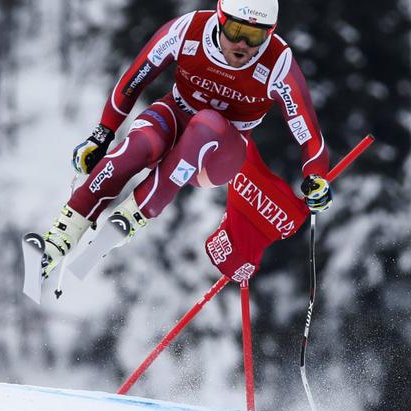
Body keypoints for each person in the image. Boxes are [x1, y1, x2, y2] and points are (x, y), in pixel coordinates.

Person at [38, 0, 332, 278]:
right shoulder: (188, 30)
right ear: (220, 19)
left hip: (219, 154)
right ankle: (59, 237)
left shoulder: (278, 64)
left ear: (269, 33)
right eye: (235, 31)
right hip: (175, 116)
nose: (242, 44)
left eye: (254, 36)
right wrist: (102, 134)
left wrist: (316, 177)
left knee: (207, 123)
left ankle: (133, 214)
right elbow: (132, 82)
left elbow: (309, 135)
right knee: (137, 147)